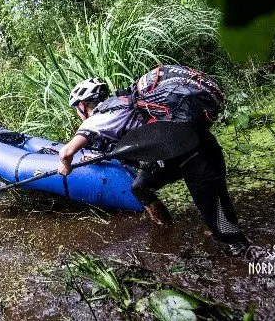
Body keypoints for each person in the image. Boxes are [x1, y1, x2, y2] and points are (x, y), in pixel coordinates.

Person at [57, 75, 264, 260]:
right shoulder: (124, 104)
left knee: (219, 219)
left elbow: (66, 152)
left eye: (77, 108)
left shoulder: (96, 121)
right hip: (195, 145)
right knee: (141, 187)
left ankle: (251, 256)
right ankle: (167, 227)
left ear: (83, 105)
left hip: (192, 156)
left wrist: (65, 166)